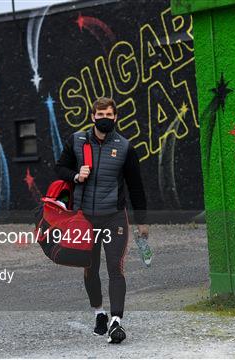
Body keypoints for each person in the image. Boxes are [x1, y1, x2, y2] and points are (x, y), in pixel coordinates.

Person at [55, 97, 148, 344]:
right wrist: (76, 175)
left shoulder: (125, 147)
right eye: (100, 114)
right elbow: (59, 168)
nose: (104, 119)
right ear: (92, 116)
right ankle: (99, 313)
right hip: (85, 218)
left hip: (114, 217)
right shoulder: (77, 141)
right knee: (90, 269)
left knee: (115, 269)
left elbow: (136, 186)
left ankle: (116, 321)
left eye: (109, 114)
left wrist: (142, 220)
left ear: (115, 117)